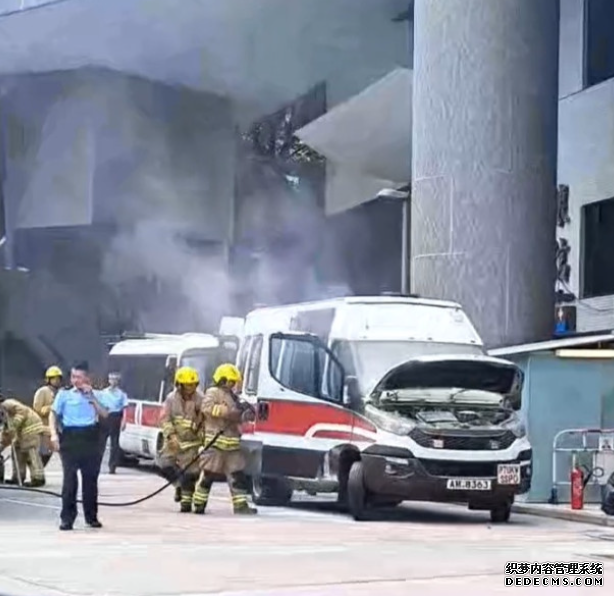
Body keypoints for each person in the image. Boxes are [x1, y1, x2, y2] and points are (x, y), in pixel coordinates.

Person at [49, 361, 109, 531]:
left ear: (87, 378)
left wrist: (92, 398)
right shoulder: (64, 395)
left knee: (90, 480)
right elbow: (53, 415)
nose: (76, 380)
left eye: (79, 377)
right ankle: (67, 518)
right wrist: (54, 435)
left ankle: (91, 516)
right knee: (70, 480)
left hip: (90, 437)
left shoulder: (97, 394)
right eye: (73, 377)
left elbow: (104, 414)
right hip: (70, 437)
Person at [193, 363, 257, 515]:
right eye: (230, 381)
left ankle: (240, 505)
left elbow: (240, 415)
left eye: (234, 382)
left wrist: (245, 415)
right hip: (215, 443)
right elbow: (207, 408)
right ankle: (199, 503)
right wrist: (228, 413)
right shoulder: (213, 392)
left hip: (232, 444)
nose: (233, 384)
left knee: (237, 475)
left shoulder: (234, 397)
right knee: (209, 474)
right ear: (222, 379)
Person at [158, 366, 205, 513]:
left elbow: (205, 422)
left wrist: (203, 440)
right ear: (179, 384)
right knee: (163, 463)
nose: (190, 388)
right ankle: (178, 485)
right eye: (187, 385)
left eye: (193, 385)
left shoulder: (201, 399)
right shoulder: (171, 399)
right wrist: (171, 437)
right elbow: (165, 419)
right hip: (174, 441)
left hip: (192, 444)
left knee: (190, 474)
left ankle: (186, 501)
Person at [0, 393, 47, 487]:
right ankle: (18, 477)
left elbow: (23, 411)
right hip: (20, 433)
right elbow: (7, 432)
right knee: (17, 453)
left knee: (31, 453)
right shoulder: (2, 412)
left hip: (31, 428)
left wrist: (14, 424)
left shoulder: (7, 403)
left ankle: (38, 478)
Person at [32, 365, 63, 467]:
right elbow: (37, 409)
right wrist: (52, 408)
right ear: (49, 379)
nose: (57, 381)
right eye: (54, 378)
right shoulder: (42, 391)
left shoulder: (61, 393)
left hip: (58, 428)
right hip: (44, 428)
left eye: (59, 378)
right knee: (44, 453)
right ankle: (38, 472)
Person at [97, 372, 128, 474]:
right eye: (111, 379)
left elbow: (125, 409)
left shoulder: (122, 394)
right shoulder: (103, 393)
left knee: (115, 443)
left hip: (115, 417)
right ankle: (96, 464)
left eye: (115, 379)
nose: (113, 381)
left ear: (118, 381)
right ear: (108, 380)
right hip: (105, 417)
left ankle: (113, 466)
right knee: (101, 443)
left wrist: (124, 420)